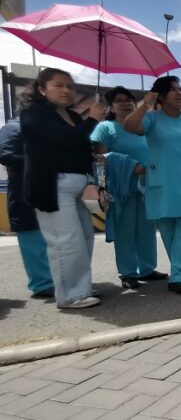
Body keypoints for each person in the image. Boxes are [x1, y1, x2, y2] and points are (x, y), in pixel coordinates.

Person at [19, 68, 105, 309]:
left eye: (70, 86)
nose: (66, 90)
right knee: (65, 240)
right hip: (52, 185)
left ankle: (80, 286)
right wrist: (92, 119)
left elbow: (76, 144)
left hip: (77, 184)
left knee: (84, 238)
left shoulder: (72, 116)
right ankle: (70, 295)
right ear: (42, 88)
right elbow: (63, 139)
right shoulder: (33, 113)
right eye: (59, 85)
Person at [123, 76, 181, 295]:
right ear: (161, 96)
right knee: (169, 233)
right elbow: (129, 126)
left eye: (180, 89)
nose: (179, 93)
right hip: (160, 183)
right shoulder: (152, 118)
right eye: (173, 90)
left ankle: (179, 277)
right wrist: (144, 105)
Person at [91, 87, 167, 289]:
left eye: (129, 99)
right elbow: (101, 160)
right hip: (121, 187)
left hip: (147, 186)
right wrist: (131, 167)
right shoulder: (105, 128)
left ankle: (148, 269)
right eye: (119, 100)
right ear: (111, 106)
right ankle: (127, 272)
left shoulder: (142, 127)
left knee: (147, 229)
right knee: (124, 230)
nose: (125, 103)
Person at [0, 117, 55, 298]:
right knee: (33, 238)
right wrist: (40, 160)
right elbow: (5, 154)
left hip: (48, 190)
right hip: (23, 192)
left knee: (52, 240)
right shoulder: (13, 128)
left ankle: (55, 280)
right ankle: (42, 284)